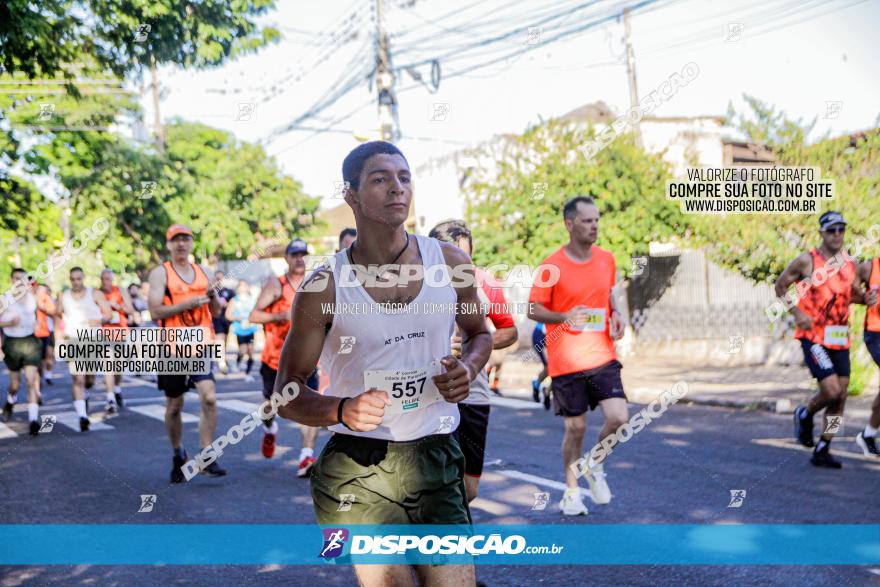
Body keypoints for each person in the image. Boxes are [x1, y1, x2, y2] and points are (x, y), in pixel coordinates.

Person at [275, 141, 491, 587]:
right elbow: (287, 392)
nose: (398, 188)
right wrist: (341, 409)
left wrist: (468, 368)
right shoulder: (324, 287)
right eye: (380, 179)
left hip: (434, 453)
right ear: (350, 195)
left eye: (404, 177)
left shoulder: (450, 263)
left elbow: (480, 334)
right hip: (360, 466)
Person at [527, 196, 627, 515]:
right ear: (570, 225)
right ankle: (572, 493)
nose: (594, 225)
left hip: (602, 355)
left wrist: (617, 314)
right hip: (566, 360)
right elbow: (533, 309)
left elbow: (609, 292)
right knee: (576, 429)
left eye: (597, 219)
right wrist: (564, 316)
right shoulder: (551, 266)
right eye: (587, 220)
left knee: (619, 418)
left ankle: (595, 465)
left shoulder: (606, 259)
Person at [775, 211, 875, 468]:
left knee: (841, 396)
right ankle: (805, 413)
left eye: (841, 230)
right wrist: (797, 313)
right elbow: (781, 286)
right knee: (830, 390)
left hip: (840, 337)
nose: (838, 235)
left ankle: (823, 447)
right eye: (832, 230)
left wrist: (867, 299)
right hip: (814, 337)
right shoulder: (807, 261)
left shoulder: (849, 264)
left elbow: (851, 296)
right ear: (821, 233)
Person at [429, 219, 518, 503]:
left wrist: (477, 343)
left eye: (465, 257)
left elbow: (509, 330)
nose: (459, 263)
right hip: (428, 394)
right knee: (436, 481)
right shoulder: (414, 282)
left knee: (468, 490)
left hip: (473, 393)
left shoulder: (485, 283)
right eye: (451, 256)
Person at [147, 224, 226, 482]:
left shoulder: (204, 272)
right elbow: (155, 312)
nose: (181, 244)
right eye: (176, 240)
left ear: (192, 243)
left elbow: (216, 311)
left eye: (186, 239)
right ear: (169, 245)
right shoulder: (161, 274)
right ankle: (178, 453)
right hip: (172, 347)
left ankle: (206, 455)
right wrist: (187, 304)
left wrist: (213, 297)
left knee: (210, 398)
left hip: (202, 344)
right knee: (174, 406)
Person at [249, 238, 320, 475]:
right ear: (287, 258)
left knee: (311, 407)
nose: (300, 258)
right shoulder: (276, 285)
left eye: (303, 254)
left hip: (308, 359)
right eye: (295, 254)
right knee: (270, 408)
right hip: (275, 359)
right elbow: (254, 316)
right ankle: (269, 430)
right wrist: (282, 315)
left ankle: (306, 456)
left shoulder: (316, 284)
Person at [56, 267, 112, 432]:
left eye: (79, 279)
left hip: (93, 339)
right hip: (74, 339)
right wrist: (59, 338)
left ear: (83, 278)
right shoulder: (64, 297)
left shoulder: (95, 294)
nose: (76, 282)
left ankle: (86, 394)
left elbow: (108, 313)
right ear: (69, 279)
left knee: (89, 379)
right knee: (77, 379)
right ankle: (82, 416)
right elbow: (58, 314)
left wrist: (99, 320)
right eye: (73, 279)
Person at [0, 268, 43, 435]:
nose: (19, 281)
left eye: (22, 278)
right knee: (15, 384)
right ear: (12, 281)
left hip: (30, 341)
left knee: (32, 380)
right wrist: (8, 323)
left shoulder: (33, 298)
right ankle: (11, 400)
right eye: (16, 278)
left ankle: (33, 420)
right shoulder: (6, 299)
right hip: (12, 343)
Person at [99, 269, 134, 412]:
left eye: (108, 279)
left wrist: (117, 306)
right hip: (104, 333)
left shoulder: (120, 290)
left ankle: (117, 389)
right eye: (103, 279)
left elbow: (130, 310)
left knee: (118, 366)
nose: (106, 282)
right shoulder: (97, 294)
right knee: (108, 365)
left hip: (120, 332)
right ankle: (110, 397)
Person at [856, 255, 880, 457]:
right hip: (876, 334)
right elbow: (846, 289)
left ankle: (868, 434)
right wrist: (862, 298)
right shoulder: (868, 268)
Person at [226, 281, 257, 382]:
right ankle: (237, 362)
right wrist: (238, 318)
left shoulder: (252, 300)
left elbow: (258, 313)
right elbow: (228, 315)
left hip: (251, 329)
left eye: (245, 285)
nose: (244, 288)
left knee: (251, 352)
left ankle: (247, 373)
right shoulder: (234, 300)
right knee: (243, 351)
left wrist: (253, 319)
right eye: (241, 286)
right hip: (240, 330)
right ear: (238, 288)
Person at [210, 271, 235, 374]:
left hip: (225, 319)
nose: (218, 280)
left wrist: (228, 304)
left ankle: (221, 359)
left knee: (223, 341)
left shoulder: (228, 291)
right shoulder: (210, 292)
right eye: (216, 278)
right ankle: (221, 363)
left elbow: (235, 302)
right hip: (214, 319)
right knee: (218, 340)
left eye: (220, 278)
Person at [33, 282, 58, 390]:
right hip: (34, 333)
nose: (42, 293)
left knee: (48, 355)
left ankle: (46, 375)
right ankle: (38, 380)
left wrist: (42, 306)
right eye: (40, 290)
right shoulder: (31, 299)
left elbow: (53, 312)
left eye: (44, 291)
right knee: (37, 359)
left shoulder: (47, 299)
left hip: (48, 331)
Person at [531, 322, 551, 409]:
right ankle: (542, 388)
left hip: (548, 337)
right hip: (541, 338)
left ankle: (544, 388)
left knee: (553, 368)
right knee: (551, 367)